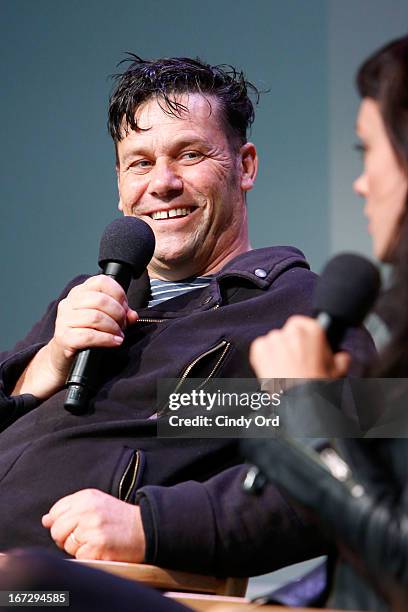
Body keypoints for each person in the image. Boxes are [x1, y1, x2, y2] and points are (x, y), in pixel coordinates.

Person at [0, 56, 372, 577]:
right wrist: (44, 367)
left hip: (53, 589)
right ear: (119, 181)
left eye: (190, 155)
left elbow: (348, 473)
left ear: (245, 166)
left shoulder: (292, 312)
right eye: (140, 163)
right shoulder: (85, 300)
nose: (163, 183)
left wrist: (149, 525)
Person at [250, 35, 408, 610]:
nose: (361, 181)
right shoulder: (73, 315)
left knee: (31, 590)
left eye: (368, 151)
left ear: (244, 168)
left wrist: (305, 406)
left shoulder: (300, 303)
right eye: (137, 162)